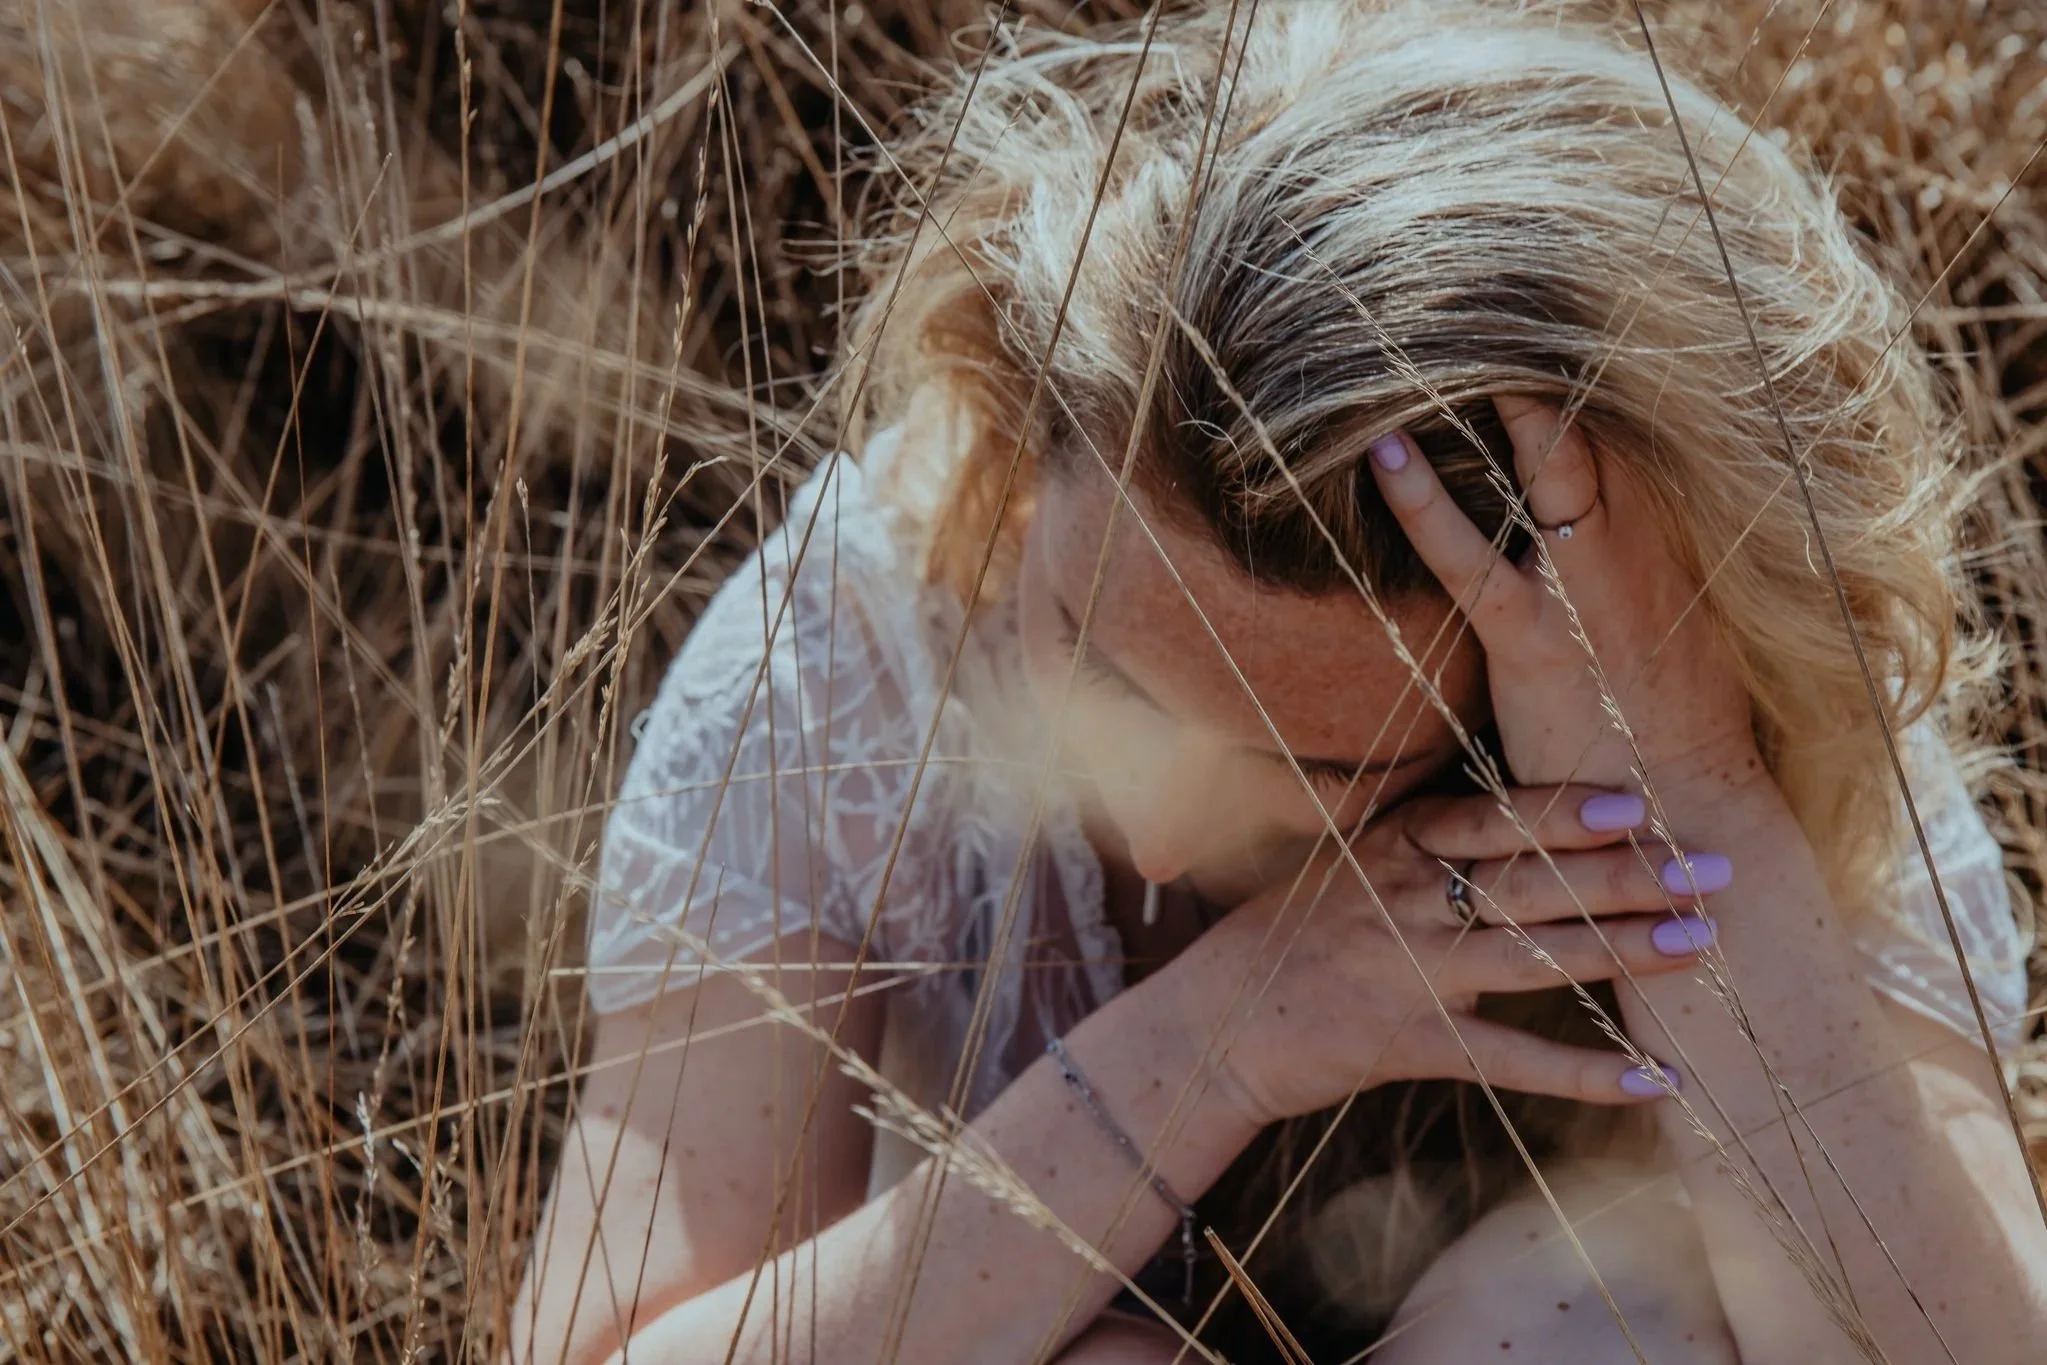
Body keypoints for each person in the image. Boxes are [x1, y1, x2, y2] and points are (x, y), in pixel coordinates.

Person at [512, 2, 2047, 1360]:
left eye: (1321, 767)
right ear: (1020, 447)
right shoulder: (861, 635)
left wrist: (1686, 792)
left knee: (1591, 1318)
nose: (1159, 832)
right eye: (1092, 662)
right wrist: (1214, 1041)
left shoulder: (1676, 666)